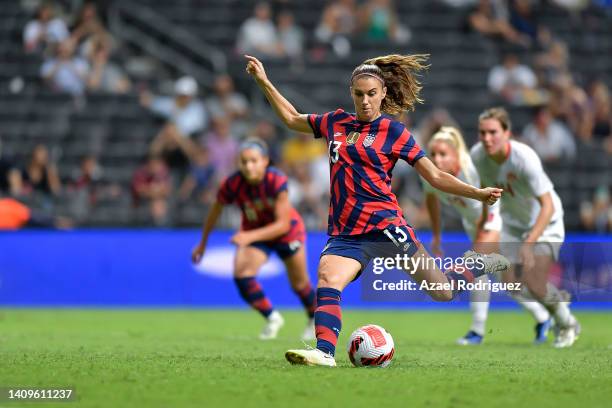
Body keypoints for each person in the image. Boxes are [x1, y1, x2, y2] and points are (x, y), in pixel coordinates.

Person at [245, 53, 510, 367]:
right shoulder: (335, 122)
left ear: (383, 93)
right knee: (328, 278)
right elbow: (291, 119)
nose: (366, 101)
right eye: (359, 94)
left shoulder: (394, 132)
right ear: (351, 93)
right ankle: (325, 352)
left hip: (386, 226)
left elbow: (435, 176)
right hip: (345, 230)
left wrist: (477, 193)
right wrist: (264, 82)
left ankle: (477, 264)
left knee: (443, 292)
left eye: (372, 94)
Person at [472, 107, 580, 348]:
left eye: (493, 132)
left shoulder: (523, 158)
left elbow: (548, 205)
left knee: (534, 281)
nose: (487, 138)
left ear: (507, 133)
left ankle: (567, 324)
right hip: (512, 224)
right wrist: (483, 224)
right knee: (511, 285)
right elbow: (485, 192)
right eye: (482, 133)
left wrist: (529, 244)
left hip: (546, 222)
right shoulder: (478, 156)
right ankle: (559, 316)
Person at [191, 138, 316, 341]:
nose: (249, 166)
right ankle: (273, 317)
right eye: (244, 161)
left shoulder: (276, 180)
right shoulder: (232, 184)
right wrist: (202, 244)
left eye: (253, 161)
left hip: (287, 233)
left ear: (265, 161)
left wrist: (248, 236)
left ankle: (313, 319)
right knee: (242, 275)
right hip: (257, 233)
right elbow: (214, 213)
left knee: (300, 285)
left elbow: (283, 224)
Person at [423, 126, 502, 345]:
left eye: (443, 154)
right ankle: (549, 319)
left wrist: (484, 231)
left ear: (456, 154)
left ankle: (477, 331)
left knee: (480, 268)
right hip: (472, 223)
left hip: (495, 219)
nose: (437, 159)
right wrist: (436, 236)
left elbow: (491, 198)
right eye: (433, 154)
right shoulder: (430, 175)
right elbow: (431, 200)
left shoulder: (470, 172)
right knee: (510, 279)